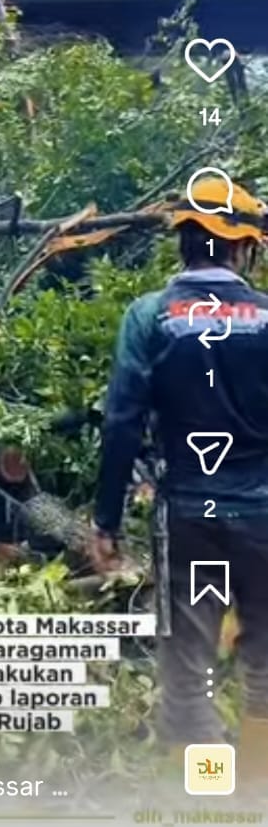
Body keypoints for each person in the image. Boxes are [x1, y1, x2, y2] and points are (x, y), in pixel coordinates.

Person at [89, 177, 268, 782]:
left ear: (185, 242)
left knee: (188, 670)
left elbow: (121, 423)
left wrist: (106, 521)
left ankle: (207, 802)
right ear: (244, 248)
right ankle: (257, 800)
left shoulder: (150, 316)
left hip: (188, 514)